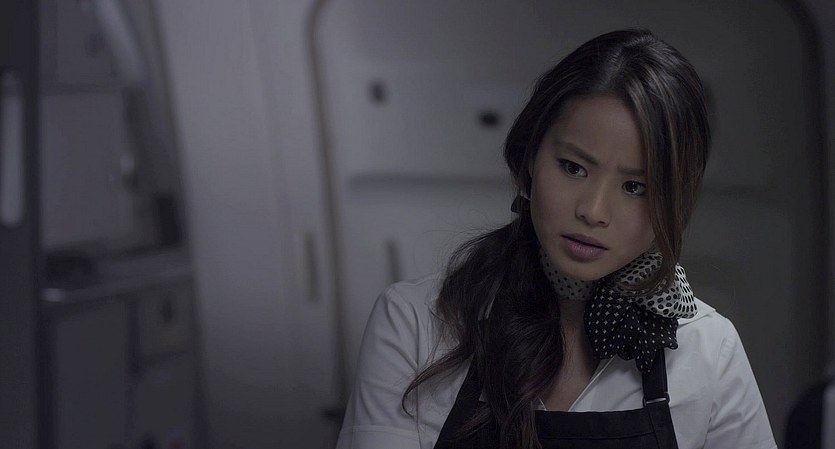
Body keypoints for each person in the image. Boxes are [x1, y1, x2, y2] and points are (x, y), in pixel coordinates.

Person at [336, 29, 777, 449]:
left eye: (635, 187)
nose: (593, 210)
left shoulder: (709, 349)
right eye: (573, 167)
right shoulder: (417, 322)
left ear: (676, 200)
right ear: (531, 158)